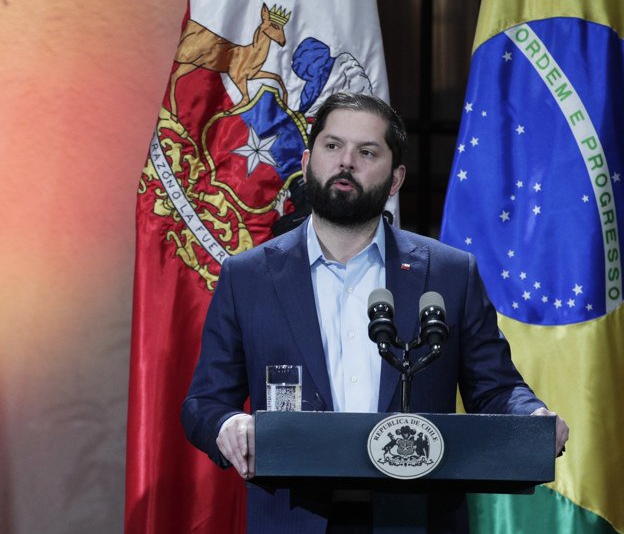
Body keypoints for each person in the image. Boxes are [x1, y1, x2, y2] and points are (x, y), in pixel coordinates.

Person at [181, 92, 569, 533]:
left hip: (417, 518)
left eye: (367, 152)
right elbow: (205, 402)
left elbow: (495, 388)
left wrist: (532, 418)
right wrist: (229, 423)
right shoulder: (248, 277)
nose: (346, 162)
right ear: (307, 161)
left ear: (396, 178)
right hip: (295, 517)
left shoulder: (449, 274)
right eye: (332, 147)